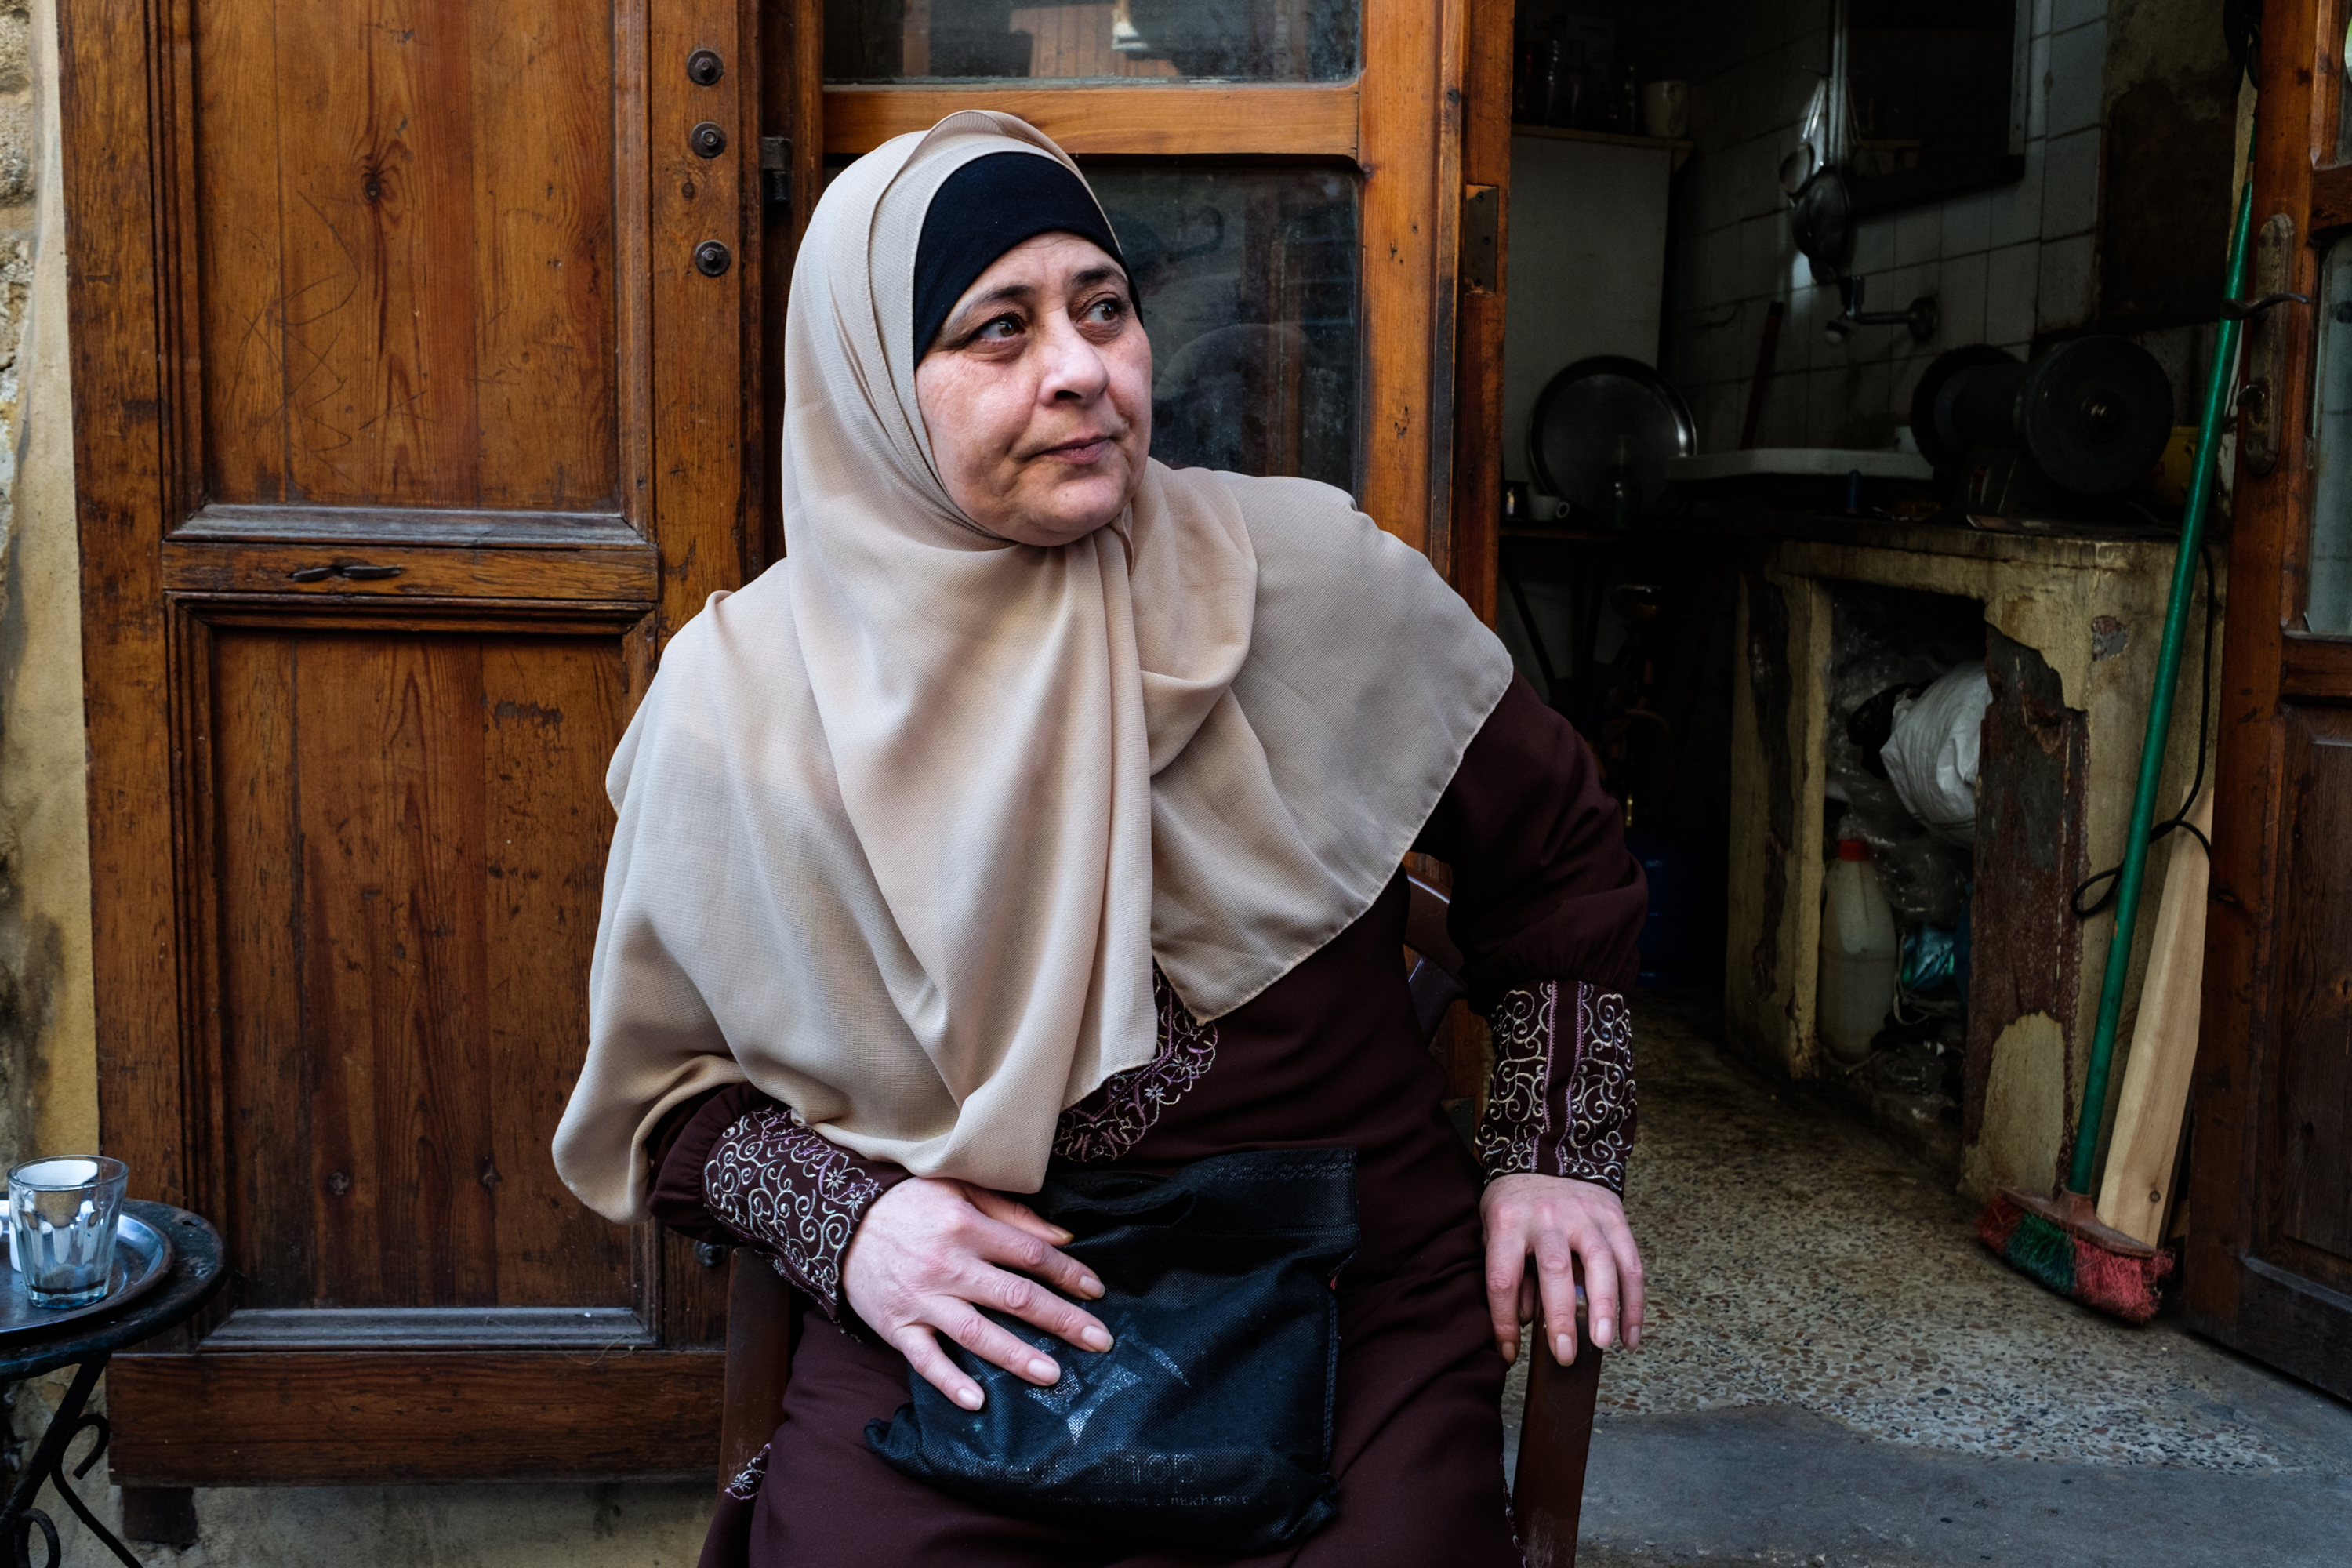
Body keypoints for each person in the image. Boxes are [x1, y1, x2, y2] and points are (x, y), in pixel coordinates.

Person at [553, 111, 1647, 1568]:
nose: (1082, 370)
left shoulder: (1306, 578)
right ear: (876, 384)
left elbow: (1560, 862)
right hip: (968, 1306)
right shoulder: (746, 702)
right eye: (998, 331)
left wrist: (1554, 1152)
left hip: (1339, 1287)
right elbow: (668, 1103)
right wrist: (862, 1233)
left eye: (1104, 309)